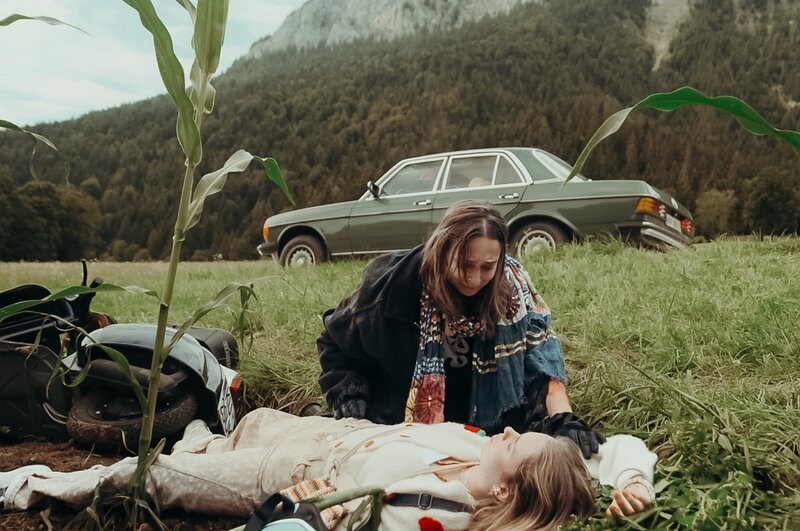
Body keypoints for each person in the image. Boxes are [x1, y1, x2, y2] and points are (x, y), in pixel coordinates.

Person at [0, 408, 657, 530]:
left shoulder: (433, 507)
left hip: (299, 470)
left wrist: (303, 512)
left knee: (160, 476)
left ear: (511, 484)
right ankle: (202, 429)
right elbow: (622, 446)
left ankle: (30, 484)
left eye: (517, 444)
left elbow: (329, 515)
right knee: (235, 426)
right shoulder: (483, 442)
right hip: (335, 430)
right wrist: (632, 481)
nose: (512, 430)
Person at [318, 200, 605, 458]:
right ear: (442, 250)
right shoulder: (392, 292)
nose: (474, 278)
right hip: (403, 427)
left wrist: (564, 418)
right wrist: (348, 392)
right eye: (465, 264)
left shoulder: (512, 291)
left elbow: (540, 358)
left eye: (487, 266)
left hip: (487, 431)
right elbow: (334, 340)